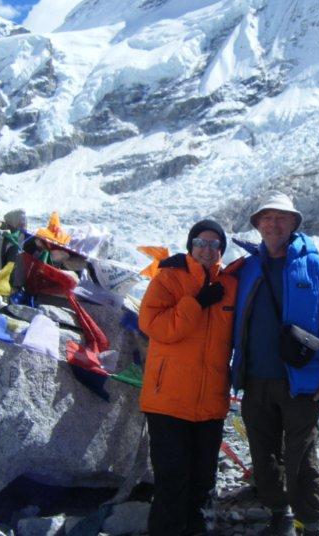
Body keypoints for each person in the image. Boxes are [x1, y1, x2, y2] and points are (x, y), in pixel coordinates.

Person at [231, 192, 319, 536]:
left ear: (294, 224)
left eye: (281, 218)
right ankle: (279, 514)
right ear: (257, 224)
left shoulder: (315, 266)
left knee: (301, 455)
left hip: (302, 381)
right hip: (255, 379)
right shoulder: (248, 267)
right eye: (267, 218)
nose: (273, 224)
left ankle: (311, 521)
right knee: (263, 452)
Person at [138, 219, 238, 536]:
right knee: (171, 479)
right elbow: (156, 326)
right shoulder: (169, 277)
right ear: (190, 245)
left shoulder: (232, 284)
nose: (207, 249)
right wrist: (196, 302)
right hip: (168, 399)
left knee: (203, 481)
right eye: (200, 242)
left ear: (221, 249)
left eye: (214, 244)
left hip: (210, 402)